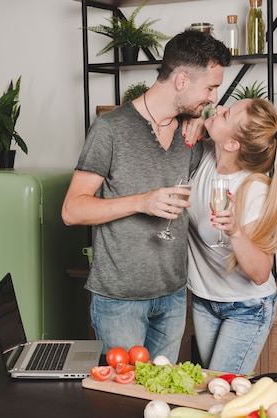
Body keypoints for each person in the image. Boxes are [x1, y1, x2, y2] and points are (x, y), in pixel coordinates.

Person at [61, 30, 231, 362]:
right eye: (210, 88)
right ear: (182, 79)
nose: (213, 97)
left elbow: (241, 152)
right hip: (119, 300)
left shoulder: (189, 130)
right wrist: (142, 202)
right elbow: (72, 209)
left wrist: (206, 120)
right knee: (126, 404)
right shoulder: (111, 129)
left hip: (173, 295)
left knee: (160, 401)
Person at [186, 98, 277, 374]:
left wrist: (235, 231)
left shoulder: (254, 190)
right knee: (211, 388)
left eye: (226, 114)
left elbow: (261, 272)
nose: (219, 108)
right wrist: (196, 119)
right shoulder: (208, 156)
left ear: (233, 144)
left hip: (246, 307)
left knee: (220, 394)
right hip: (204, 299)